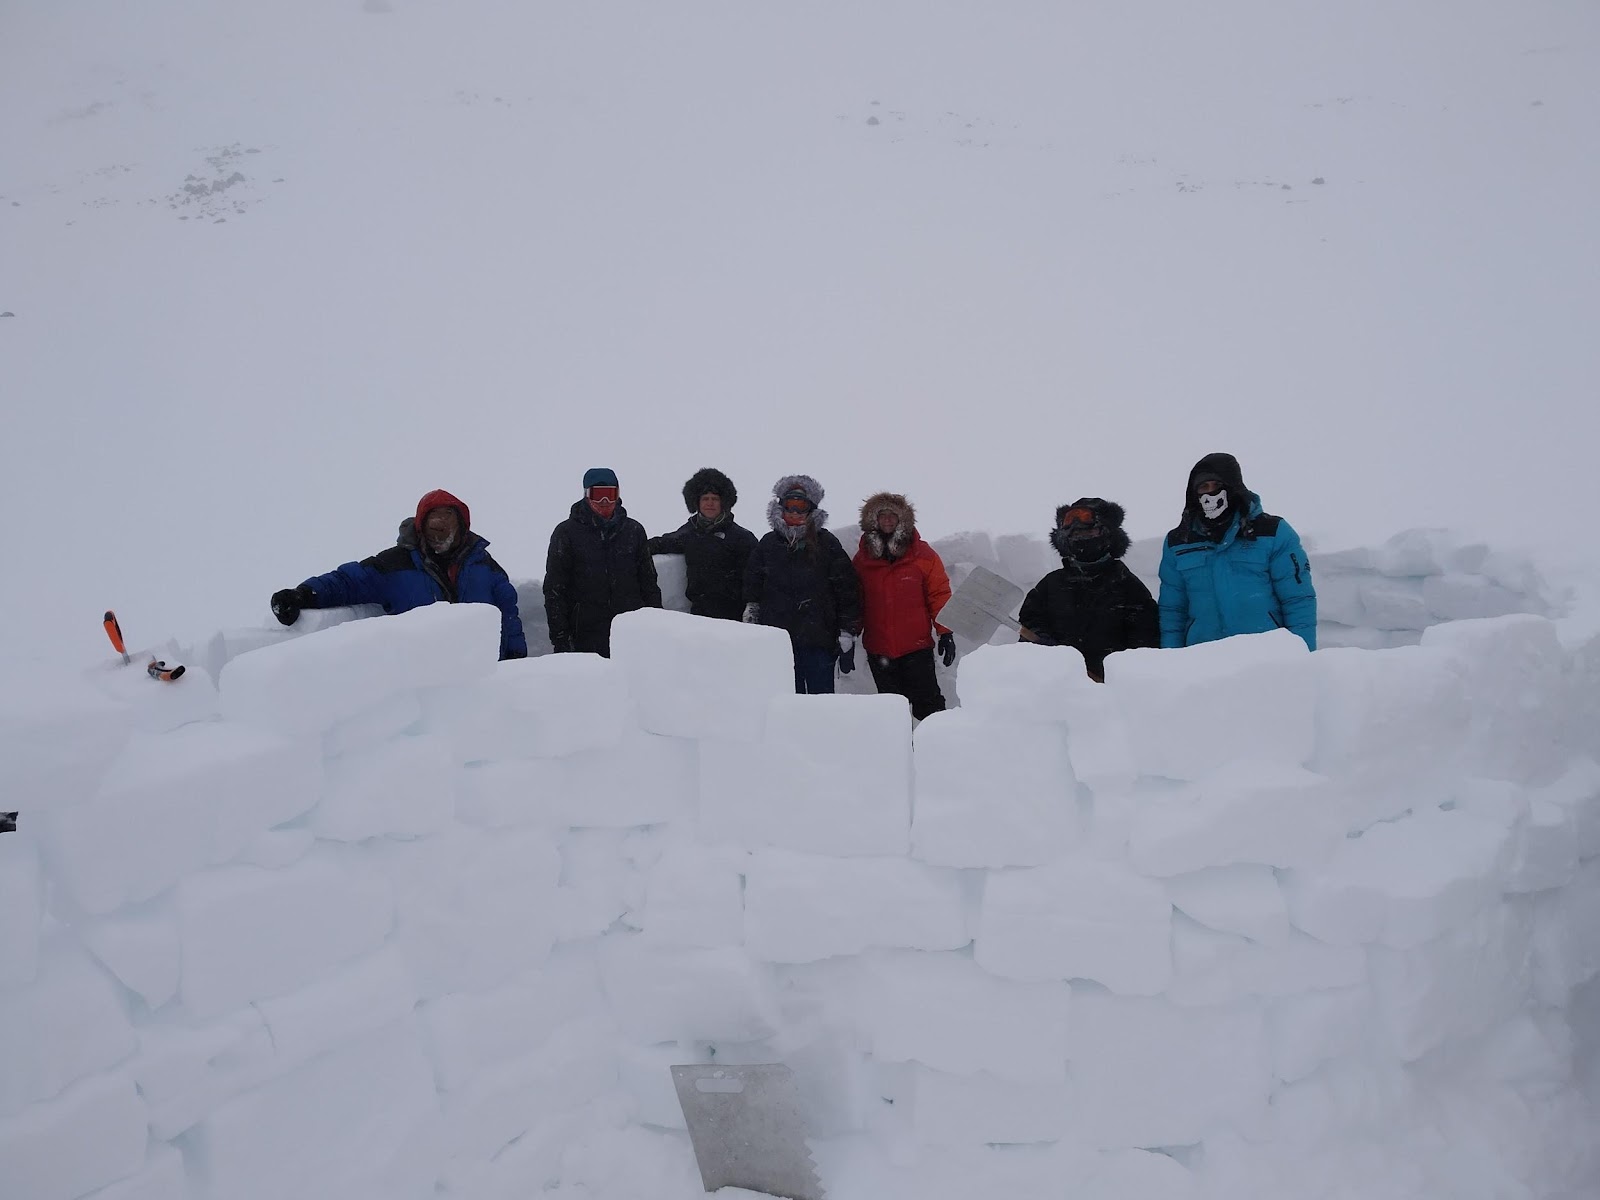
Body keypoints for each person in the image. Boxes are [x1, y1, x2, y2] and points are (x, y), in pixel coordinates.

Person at [269, 488, 526, 660]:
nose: (440, 528)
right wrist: (302, 595)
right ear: (421, 525)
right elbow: (349, 581)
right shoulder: (395, 564)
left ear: (461, 526)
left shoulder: (485, 566)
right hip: (426, 694)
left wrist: (515, 660)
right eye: (433, 521)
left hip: (485, 681)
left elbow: (508, 613)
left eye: (447, 518)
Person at [1157, 452, 1316, 650]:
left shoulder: (1273, 533)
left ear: (1233, 487)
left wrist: (1303, 656)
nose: (1209, 494)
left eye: (1216, 486)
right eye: (1203, 487)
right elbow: (1172, 611)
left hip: (1268, 657)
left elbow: (1298, 600)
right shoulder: (1179, 542)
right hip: (1201, 659)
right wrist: (1172, 660)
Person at [743, 474, 861, 694]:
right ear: (781, 509)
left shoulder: (826, 543)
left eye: (801, 506)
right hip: (779, 643)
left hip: (819, 642)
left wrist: (847, 632)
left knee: (821, 706)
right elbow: (752, 589)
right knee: (785, 703)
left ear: (811, 510)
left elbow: (847, 590)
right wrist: (753, 621)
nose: (795, 513)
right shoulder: (768, 545)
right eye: (790, 506)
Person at [1018, 498, 1159, 681]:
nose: (1081, 539)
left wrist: (1117, 678)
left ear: (1107, 535)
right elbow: (1030, 626)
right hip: (1057, 686)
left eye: (1089, 531)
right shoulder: (1050, 585)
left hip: (1112, 693)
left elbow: (1146, 643)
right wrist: (1044, 648)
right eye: (1074, 534)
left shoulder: (1127, 586)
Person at [852, 492, 955, 719]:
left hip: (916, 649)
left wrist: (945, 631)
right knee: (891, 713)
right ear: (873, 520)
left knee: (930, 709)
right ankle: (896, 753)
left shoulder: (923, 555)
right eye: (882, 516)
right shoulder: (862, 560)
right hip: (879, 650)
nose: (888, 520)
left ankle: (939, 750)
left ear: (903, 520)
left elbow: (938, 594)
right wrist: (848, 636)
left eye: (893, 516)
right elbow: (854, 601)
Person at [543, 467, 662, 656]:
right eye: (598, 495)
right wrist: (561, 640)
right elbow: (555, 590)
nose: (604, 502)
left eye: (610, 494)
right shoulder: (566, 533)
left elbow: (648, 583)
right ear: (586, 495)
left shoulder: (634, 531)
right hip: (585, 635)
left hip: (630, 633)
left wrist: (656, 626)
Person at [646, 468, 759, 621]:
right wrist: (638, 546)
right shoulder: (690, 533)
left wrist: (752, 606)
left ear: (724, 502)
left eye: (715, 499)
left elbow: (756, 575)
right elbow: (664, 542)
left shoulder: (742, 538)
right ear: (697, 502)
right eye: (705, 499)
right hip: (699, 616)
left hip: (733, 616)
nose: (710, 504)